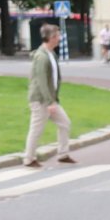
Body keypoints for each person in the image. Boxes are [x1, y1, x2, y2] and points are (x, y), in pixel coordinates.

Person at [23, 24, 73, 168]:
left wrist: (53, 100)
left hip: (51, 100)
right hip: (41, 100)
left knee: (65, 123)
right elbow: (41, 81)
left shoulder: (51, 54)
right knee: (36, 129)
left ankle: (63, 154)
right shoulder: (41, 56)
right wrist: (49, 102)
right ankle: (29, 158)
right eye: (57, 36)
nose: (59, 38)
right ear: (51, 38)